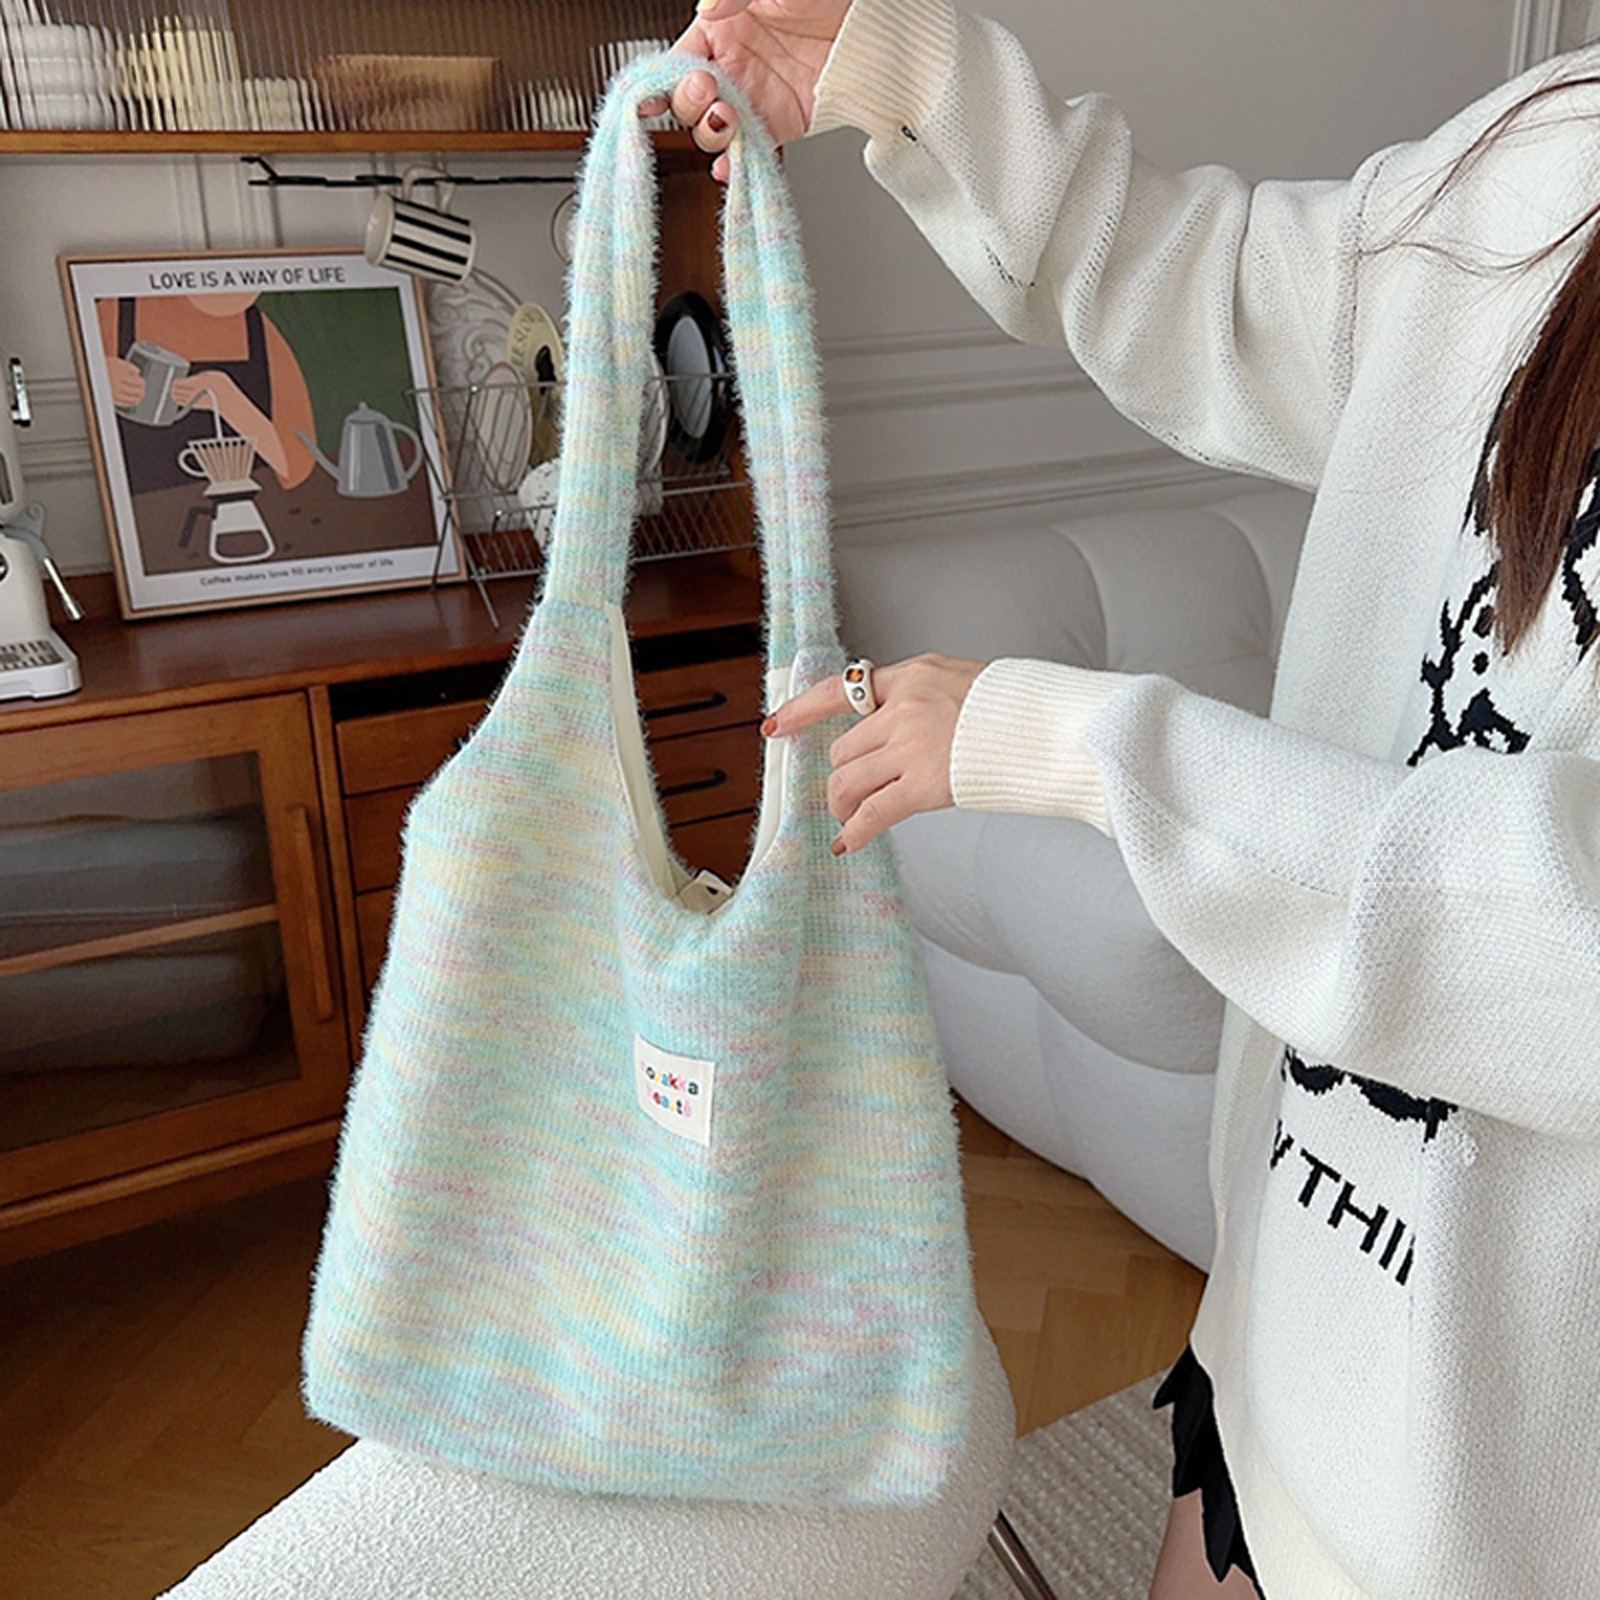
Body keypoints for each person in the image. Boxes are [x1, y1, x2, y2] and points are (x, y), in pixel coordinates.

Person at [647, 3, 1600, 1598]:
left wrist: (1090, 752)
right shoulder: (1554, 145)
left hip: (1513, 1473)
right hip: (1289, 1305)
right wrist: (907, 70)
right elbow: (1222, 290)